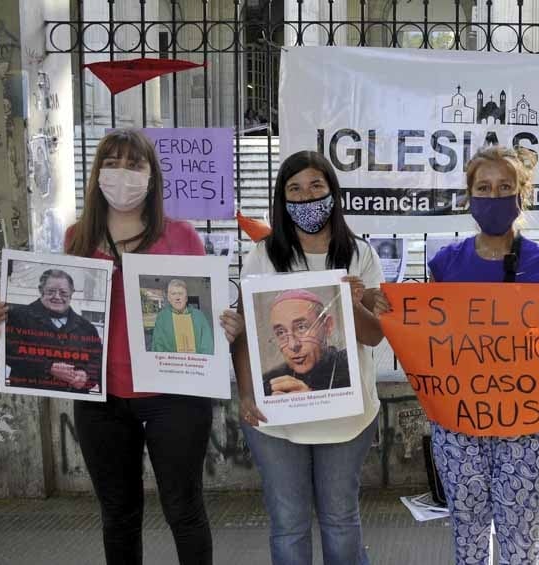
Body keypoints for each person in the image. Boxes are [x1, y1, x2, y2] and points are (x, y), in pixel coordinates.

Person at [0, 128, 244, 565]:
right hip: (100, 398)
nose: (121, 173)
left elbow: (204, 312)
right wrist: (12, 320)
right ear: (96, 174)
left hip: (176, 395)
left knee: (184, 511)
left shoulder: (182, 236)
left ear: (152, 176)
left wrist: (225, 323)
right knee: (118, 515)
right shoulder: (76, 237)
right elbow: (59, 318)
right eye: (111, 163)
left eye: (134, 164)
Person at [380, 145, 539, 565]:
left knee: (521, 532)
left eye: (505, 186)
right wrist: (388, 310)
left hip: (525, 421)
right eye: (484, 187)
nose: (494, 195)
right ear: (470, 197)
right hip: (459, 422)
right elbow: (433, 334)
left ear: (522, 194)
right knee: (467, 527)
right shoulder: (446, 263)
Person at [231, 150, 387, 565]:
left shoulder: (361, 255)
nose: (306, 198)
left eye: (316, 186)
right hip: (278, 423)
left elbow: (375, 336)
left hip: (346, 418)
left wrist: (350, 302)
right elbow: (244, 332)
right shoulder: (264, 256)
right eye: (294, 189)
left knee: (340, 519)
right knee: (288, 523)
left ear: (333, 193)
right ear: (282, 201)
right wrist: (247, 393)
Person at [4, 268, 102, 393]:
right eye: (51, 291)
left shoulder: (87, 328)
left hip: (73, 400)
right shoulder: (18, 317)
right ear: (41, 290)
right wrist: (48, 367)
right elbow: (10, 352)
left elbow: (98, 360)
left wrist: (86, 375)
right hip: (32, 397)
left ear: (72, 293)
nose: (57, 297)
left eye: (63, 292)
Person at [260, 289, 351, 395]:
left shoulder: (350, 365)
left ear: (327, 326)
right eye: (281, 332)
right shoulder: (270, 381)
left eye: (301, 327)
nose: (293, 345)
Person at [150, 279, 215, 354]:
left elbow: (207, 345)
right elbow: (158, 347)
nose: (177, 298)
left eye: (180, 293)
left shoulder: (199, 316)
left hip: (197, 364)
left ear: (186, 298)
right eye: (173, 294)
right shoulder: (162, 318)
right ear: (168, 298)